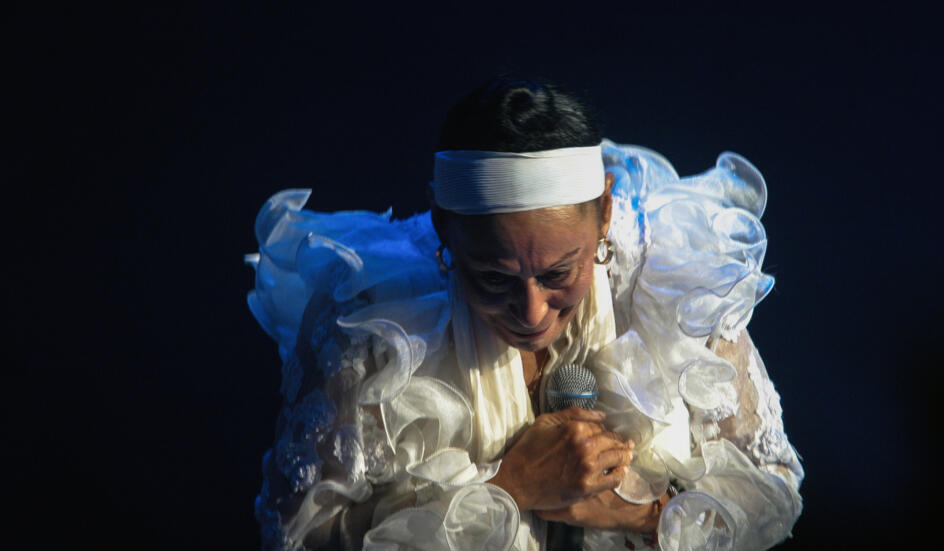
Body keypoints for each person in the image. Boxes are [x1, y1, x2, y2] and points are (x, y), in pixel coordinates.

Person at [245, 78, 804, 550]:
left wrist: (643, 512)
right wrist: (510, 489)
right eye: (492, 278)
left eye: (560, 274)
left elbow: (773, 490)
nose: (532, 311)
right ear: (444, 229)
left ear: (604, 213)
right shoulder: (370, 325)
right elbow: (295, 537)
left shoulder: (672, 284)